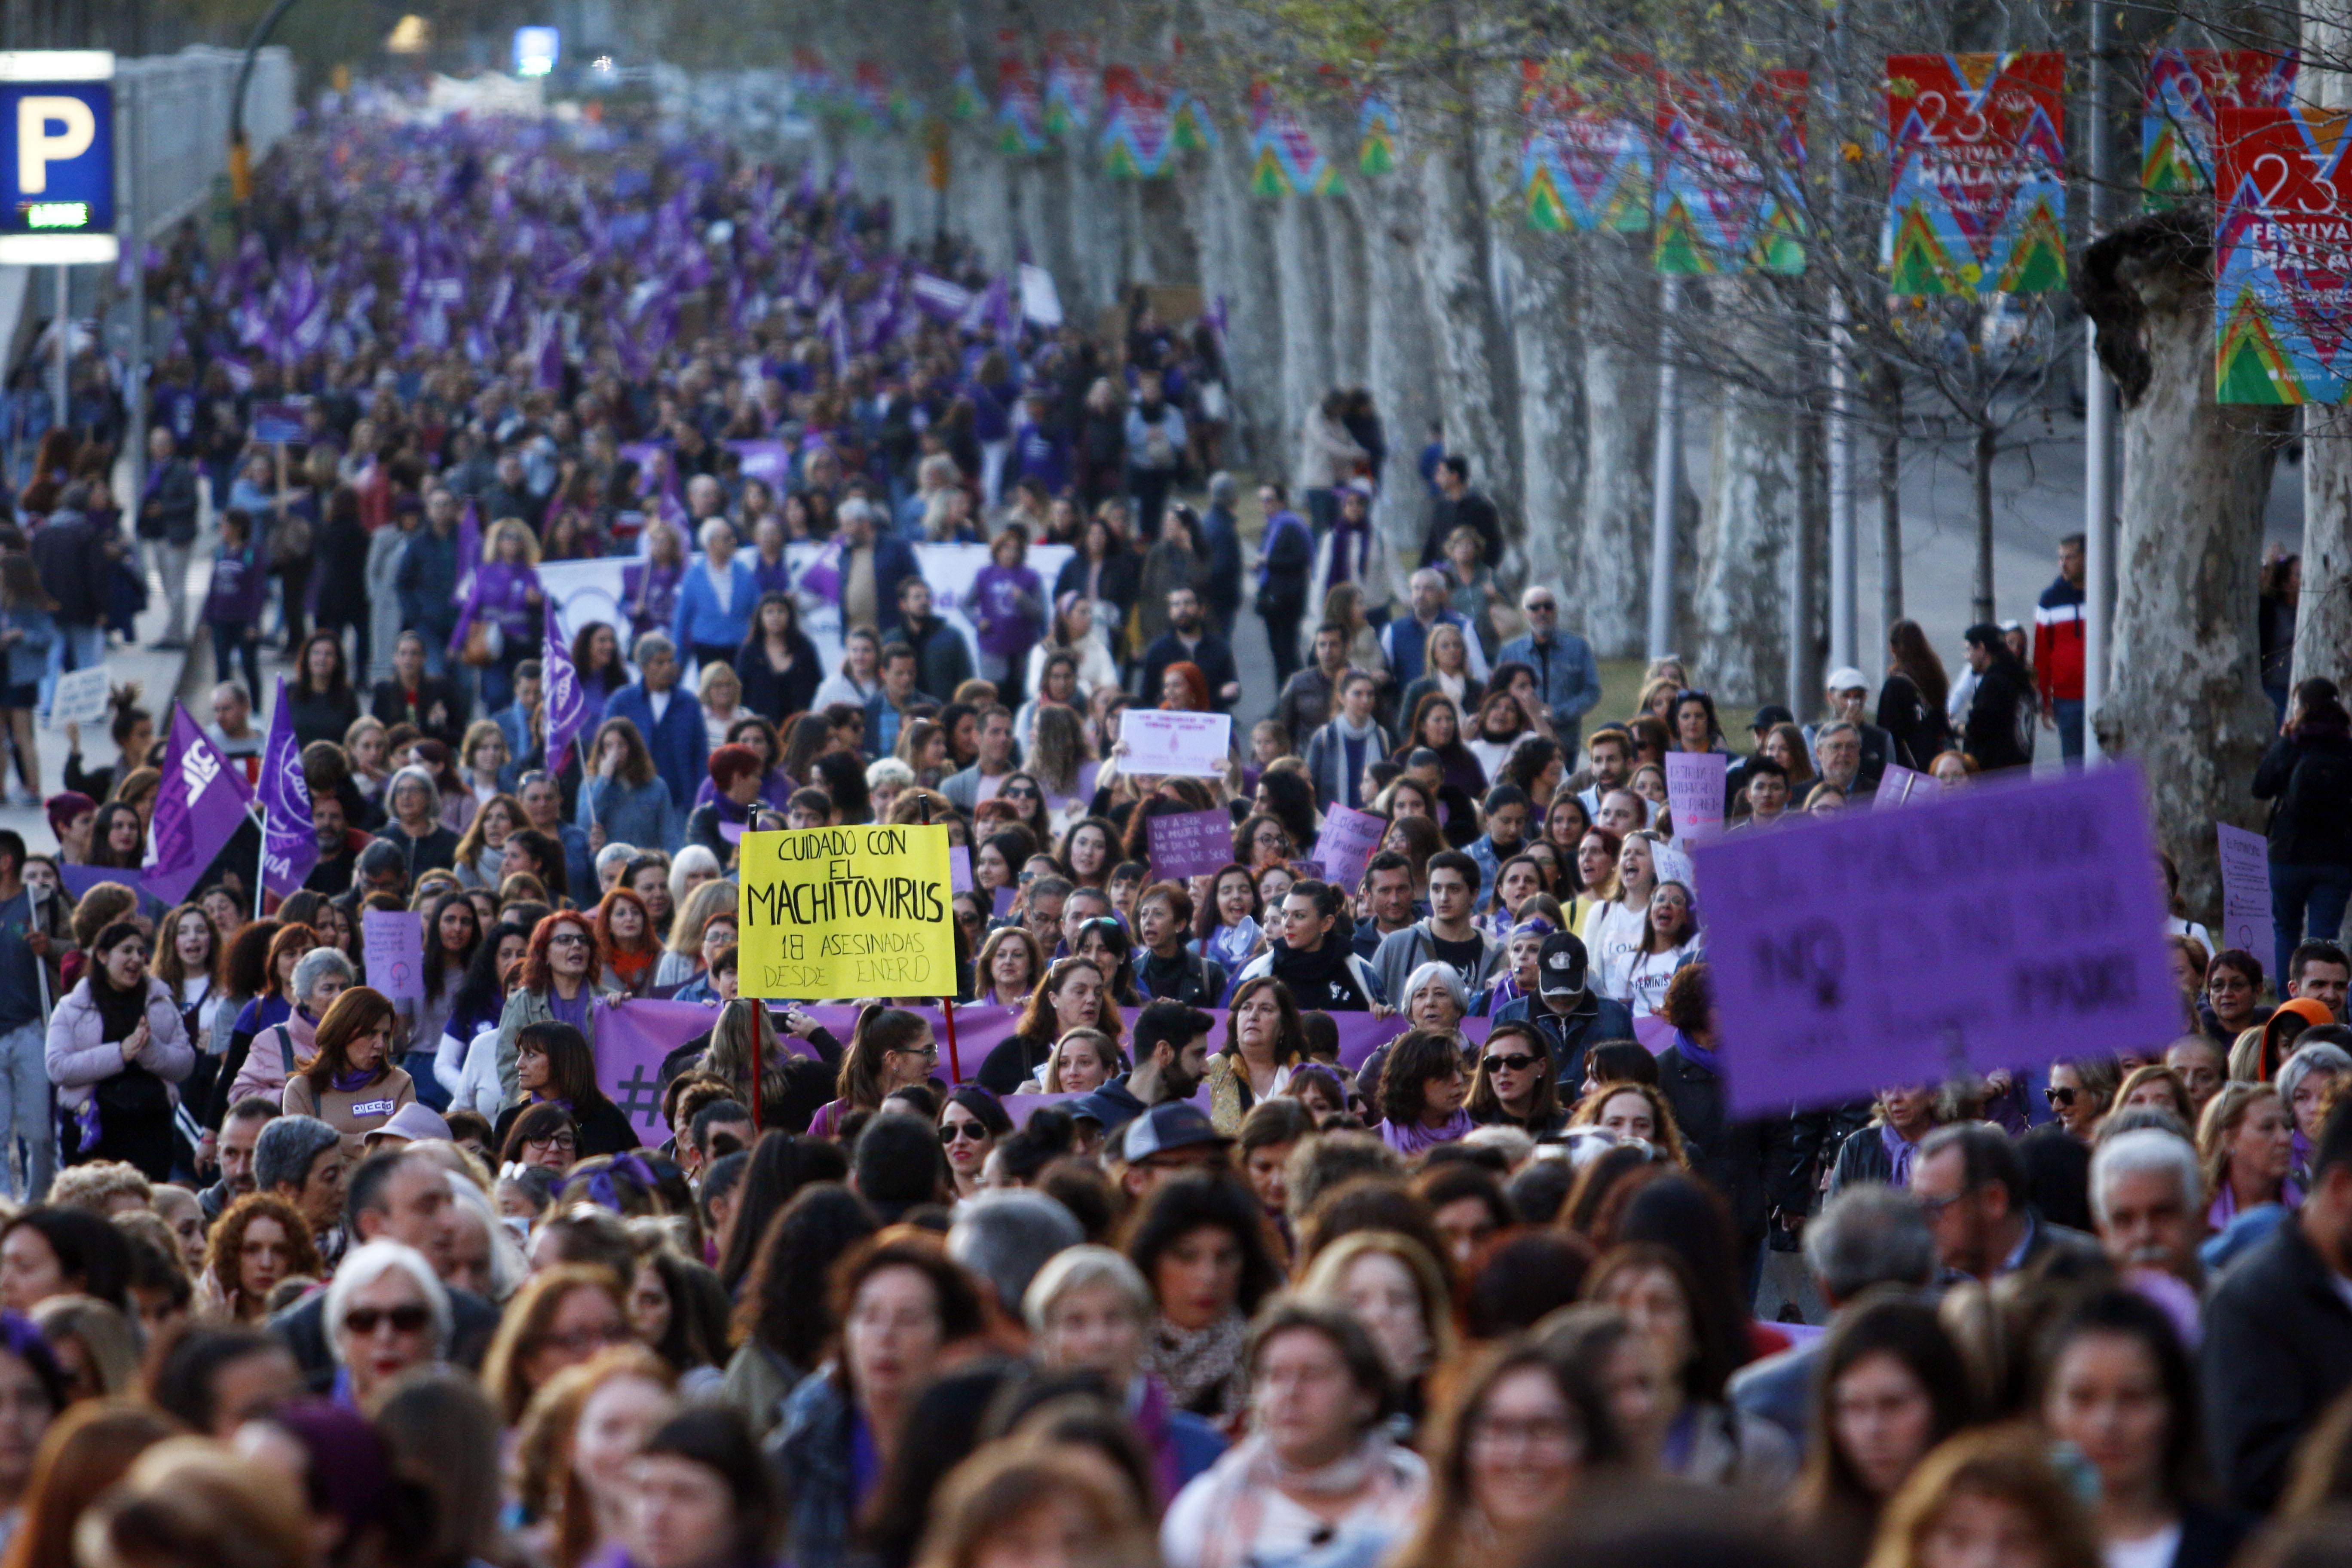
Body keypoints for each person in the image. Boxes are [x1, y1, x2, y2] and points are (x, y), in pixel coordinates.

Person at [770, 1232, 986, 1568]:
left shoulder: (980, 1455)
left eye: (909, 1318)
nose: (885, 1336)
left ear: (947, 1337)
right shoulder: (797, 1456)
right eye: (869, 1316)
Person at [1160, 1301, 1427, 1568]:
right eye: (1274, 1376)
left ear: (1365, 1396)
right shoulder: (1208, 1509)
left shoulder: (1422, 1498)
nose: (1290, 1392)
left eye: (1312, 1374)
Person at [2043, 1289, 2251, 1568]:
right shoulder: (2021, 1547)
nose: (2107, 1422)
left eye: (2133, 1397)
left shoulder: (2244, 1550)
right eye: (2083, 1397)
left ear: (2173, 1407)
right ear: (2047, 1407)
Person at [1786, 1294, 1977, 1568]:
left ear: (1943, 1403)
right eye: (1853, 1407)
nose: (1872, 1430)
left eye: (1893, 1404)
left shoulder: (1993, 1532)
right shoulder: (1796, 1536)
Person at [1024, 1244, 1228, 1499]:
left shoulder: (1202, 1448)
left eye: (1114, 1318)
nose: (1098, 1339)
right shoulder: (1017, 1452)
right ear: (1043, 1340)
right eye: (1075, 1321)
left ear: (1144, 1332)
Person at [46, 921, 195, 1180]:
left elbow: (184, 1065)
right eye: (127, 951)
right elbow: (58, 1068)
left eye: (140, 952)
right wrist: (119, 1054)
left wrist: (150, 1049)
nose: (136, 959)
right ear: (102, 956)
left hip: (150, 1127)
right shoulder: (72, 1007)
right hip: (92, 1130)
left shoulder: (160, 1004)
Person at [2253, 678, 2352, 992]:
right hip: (2337, 859)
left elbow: (2260, 788)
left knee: (2286, 931)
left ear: (2302, 708)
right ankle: (2325, 1002)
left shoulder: (2293, 745)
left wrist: (2284, 741)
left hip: (2288, 856)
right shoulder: (2347, 749)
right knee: (2323, 940)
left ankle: (2290, 1002)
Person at [1909, 1121, 2103, 1281]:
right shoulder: (1920, 1280)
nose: (1923, 1221)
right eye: (1917, 1206)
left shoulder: (2083, 1269)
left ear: (1994, 1200)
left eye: (1934, 1206)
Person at [282, 986, 415, 1157]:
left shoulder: (400, 1083)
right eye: (370, 1034)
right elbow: (301, 1152)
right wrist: (375, 1143)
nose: (380, 1044)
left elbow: (406, 1149)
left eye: (385, 1035)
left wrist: (327, 1141)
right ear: (342, 1032)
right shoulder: (302, 1090)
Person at [604, 634, 710, 832]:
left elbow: (700, 754)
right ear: (643, 667)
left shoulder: (689, 703)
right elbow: (604, 748)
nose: (668, 667)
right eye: (660, 662)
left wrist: (699, 799)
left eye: (671, 661)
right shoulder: (622, 701)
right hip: (632, 799)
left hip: (680, 802)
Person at [1495, 586, 1602, 756]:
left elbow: (1592, 691)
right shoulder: (1510, 651)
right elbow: (1498, 693)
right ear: (1525, 613)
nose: (1542, 612)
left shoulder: (1578, 647)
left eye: (1548, 606)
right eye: (1535, 608)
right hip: (1521, 737)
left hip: (1565, 739)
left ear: (1556, 610)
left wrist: (1559, 712)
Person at [1141, 587, 1241, 713]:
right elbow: (1147, 695)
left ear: (1201, 610)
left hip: (1211, 718)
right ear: (1170, 612)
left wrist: (1231, 692)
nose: (1182, 609)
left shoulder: (1219, 647)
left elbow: (1232, 687)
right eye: (1176, 605)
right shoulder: (1158, 650)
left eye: (1188, 603)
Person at [2035, 532, 2089, 762]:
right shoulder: (2050, 600)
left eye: (2070, 558)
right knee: (2075, 769)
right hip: (2067, 700)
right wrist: (2045, 702)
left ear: (2087, 558)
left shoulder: (2108, 592)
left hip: (2104, 696)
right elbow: (2042, 654)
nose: (2063, 564)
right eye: (2061, 558)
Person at [1305, 671, 1390, 812]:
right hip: (1332, 824)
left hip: (1375, 824)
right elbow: (1309, 786)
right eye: (1358, 694)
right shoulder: (1325, 738)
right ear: (1342, 699)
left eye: (1370, 694)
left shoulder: (1383, 738)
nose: (1365, 700)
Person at [1960, 623, 2037, 772]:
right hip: (2019, 771)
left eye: (1969, 649)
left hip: (1993, 777)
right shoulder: (2020, 679)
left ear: (1982, 648)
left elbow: (1978, 728)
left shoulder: (1994, 684)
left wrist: (1957, 728)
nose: (1968, 657)